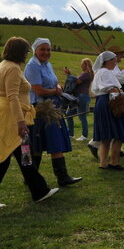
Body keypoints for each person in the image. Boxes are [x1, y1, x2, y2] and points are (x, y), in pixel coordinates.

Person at [0, 37, 58, 212]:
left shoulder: (3, 65)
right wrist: (21, 122)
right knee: (12, 156)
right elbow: (12, 96)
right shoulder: (12, 69)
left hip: (4, 114)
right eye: (26, 51)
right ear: (19, 52)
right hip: (9, 117)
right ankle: (38, 191)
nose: (27, 54)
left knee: (6, 158)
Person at [24, 38, 82, 186]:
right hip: (40, 108)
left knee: (42, 143)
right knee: (41, 143)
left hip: (52, 106)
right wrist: (55, 91)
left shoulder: (47, 65)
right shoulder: (32, 66)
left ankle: (37, 177)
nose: (46, 52)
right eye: (42, 49)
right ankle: (54, 177)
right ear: (35, 50)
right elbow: (38, 90)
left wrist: (58, 87)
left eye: (48, 49)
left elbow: (53, 81)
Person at [87, 45, 124, 158]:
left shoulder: (111, 68)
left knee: (113, 128)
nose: (120, 56)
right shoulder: (106, 70)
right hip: (111, 99)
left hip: (113, 97)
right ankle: (95, 145)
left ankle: (115, 151)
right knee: (111, 128)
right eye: (119, 54)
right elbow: (119, 79)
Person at [64, 58, 94, 141]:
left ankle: (84, 136)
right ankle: (70, 134)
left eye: (82, 64)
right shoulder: (86, 74)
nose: (81, 65)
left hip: (82, 97)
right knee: (69, 114)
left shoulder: (86, 74)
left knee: (82, 117)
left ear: (86, 65)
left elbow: (76, 82)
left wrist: (69, 74)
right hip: (77, 97)